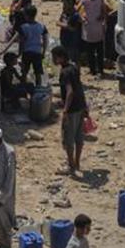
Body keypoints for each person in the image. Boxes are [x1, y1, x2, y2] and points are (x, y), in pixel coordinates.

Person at [52, 45, 87, 173]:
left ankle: (71, 166)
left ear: (60, 57)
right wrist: (85, 106)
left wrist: (65, 110)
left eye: (54, 57)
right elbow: (79, 87)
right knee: (79, 137)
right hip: (80, 106)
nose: (53, 60)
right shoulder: (74, 68)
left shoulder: (65, 72)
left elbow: (70, 92)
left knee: (68, 139)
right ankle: (77, 163)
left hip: (71, 109)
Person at [78, 0, 109, 76]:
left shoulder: (84, 0)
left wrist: (83, 18)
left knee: (90, 52)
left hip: (90, 29)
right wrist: (103, 18)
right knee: (99, 52)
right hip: (97, 29)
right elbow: (104, 11)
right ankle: (99, 70)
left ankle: (93, 70)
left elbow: (76, 10)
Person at [15, 5, 47, 86]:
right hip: (37, 52)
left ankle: (23, 87)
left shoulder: (23, 27)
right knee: (38, 73)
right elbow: (45, 40)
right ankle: (38, 88)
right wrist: (43, 52)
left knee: (24, 71)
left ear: (26, 15)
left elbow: (22, 42)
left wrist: (19, 53)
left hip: (27, 52)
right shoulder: (41, 26)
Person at [57, 0, 82, 64]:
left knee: (73, 61)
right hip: (64, 40)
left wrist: (65, 25)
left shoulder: (75, 15)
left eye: (65, 4)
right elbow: (58, 22)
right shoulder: (64, 12)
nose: (64, 5)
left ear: (71, 3)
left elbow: (73, 28)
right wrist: (65, 25)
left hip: (72, 42)